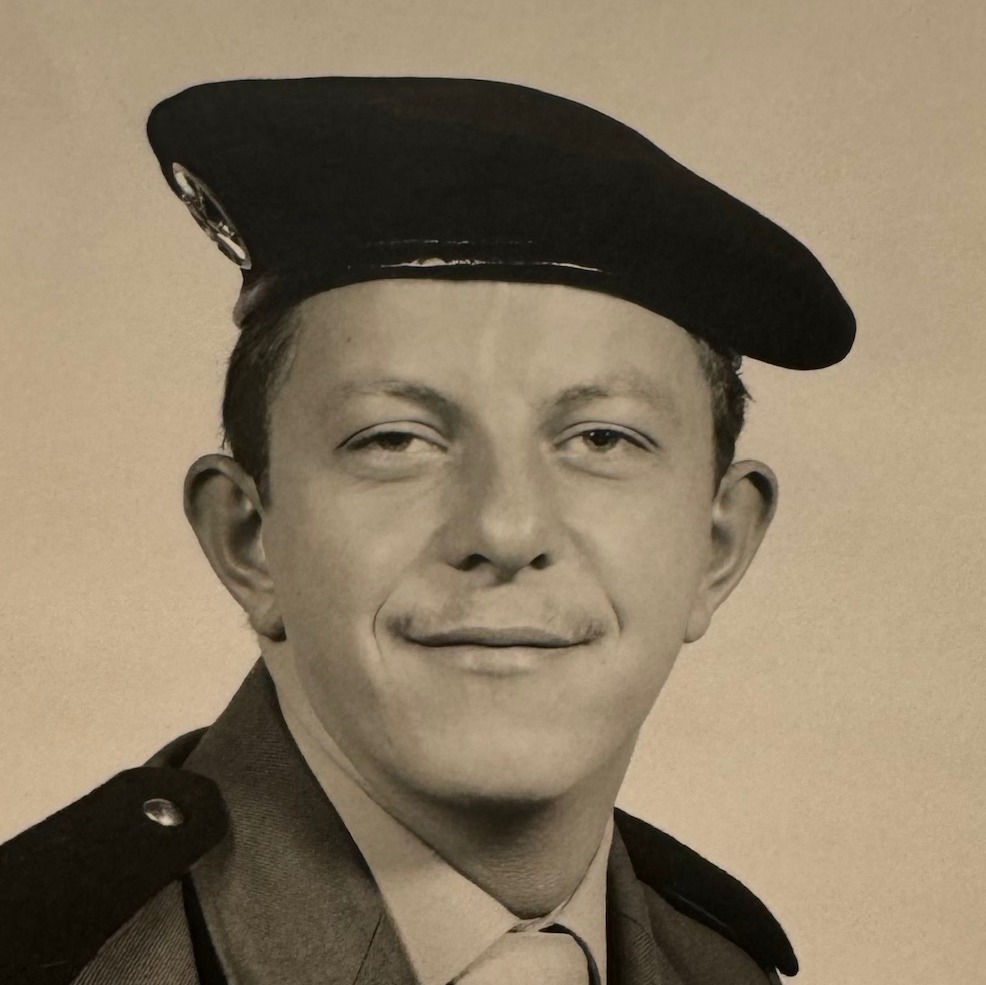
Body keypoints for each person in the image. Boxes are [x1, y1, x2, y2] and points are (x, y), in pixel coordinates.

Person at [0, 76, 854, 985]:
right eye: (395, 440)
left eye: (602, 438)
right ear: (247, 538)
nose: (506, 528)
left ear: (719, 546)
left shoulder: (718, 965)